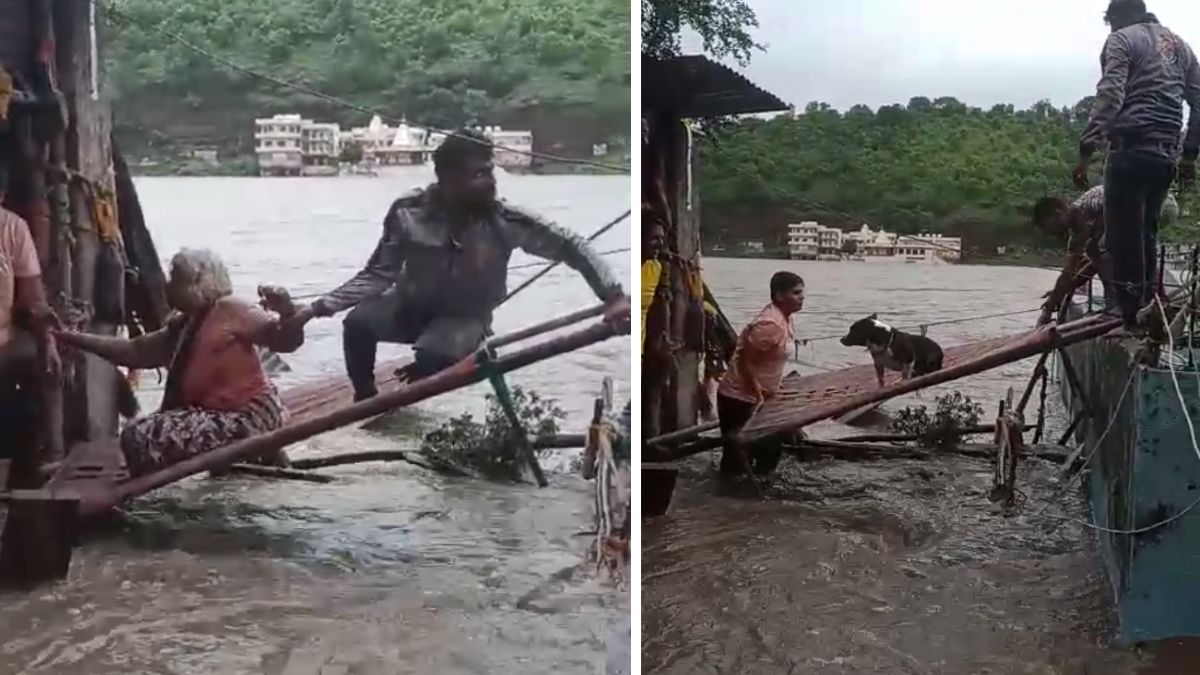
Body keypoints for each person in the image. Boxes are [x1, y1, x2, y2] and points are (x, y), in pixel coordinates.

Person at [285, 129, 627, 401]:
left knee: (433, 356)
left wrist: (613, 296)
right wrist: (314, 310)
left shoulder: (503, 220)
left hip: (463, 319)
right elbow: (377, 274)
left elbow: (572, 246)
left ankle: (423, 372)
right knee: (357, 324)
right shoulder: (407, 213)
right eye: (479, 175)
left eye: (490, 172)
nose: (491, 182)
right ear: (448, 179)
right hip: (408, 307)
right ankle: (366, 398)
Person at [53, 249, 305, 477]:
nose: (167, 285)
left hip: (247, 417)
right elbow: (134, 351)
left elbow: (283, 339)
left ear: (196, 282)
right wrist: (70, 337)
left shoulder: (231, 308)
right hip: (216, 416)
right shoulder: (183, 326)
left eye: (174, 278)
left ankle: (249, 451)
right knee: (136, 433)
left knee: (140, 437)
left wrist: (288, 312)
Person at [1075, 0, 1200, 333]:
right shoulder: (1182, 48)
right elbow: (1199, 101)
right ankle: (1145, 310)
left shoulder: (1122, 39)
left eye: (1111, 23)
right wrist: (1190, 156)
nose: (1111, 30)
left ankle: (1129, 317)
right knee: (1146, 233)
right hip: (1165, 157)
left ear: (1119, 17)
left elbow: (1111, 93)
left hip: (1130, 150)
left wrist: (1087, 148)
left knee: (1122, 238)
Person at [1033, 187, 1178, 325]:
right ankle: (1118, 301)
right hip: (1138, 211)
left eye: (1048, 228)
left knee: (1107, 244)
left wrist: (1099, 231)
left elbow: (1118, 202)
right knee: (1094, 249)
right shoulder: (1078, 235)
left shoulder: (1089, 203)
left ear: (1057, 214)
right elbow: (1070, 273)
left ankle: (1149, 299)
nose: (1050, 234)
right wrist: (1057, 296)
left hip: (1160, 202)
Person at [0, 163, 62, 468]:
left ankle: (44, 453)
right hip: (5, 346)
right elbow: (34, 301)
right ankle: (49, 454)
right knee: (45, 361)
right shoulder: (12, 227)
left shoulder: (12, 228)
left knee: (43, 360)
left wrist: (47, 341)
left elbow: (33, 302)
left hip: (4, 346)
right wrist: (47, 342)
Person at [715, 271, 805, 477]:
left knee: (769, 449)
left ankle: (753, 494)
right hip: (739, 397)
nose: (802, 297)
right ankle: (727, 496)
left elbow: (769, 359)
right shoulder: (770, 324)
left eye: (802, 293)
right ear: (779, 296)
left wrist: (773, 388)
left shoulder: (786, 318)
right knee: (737, 455)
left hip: (763, 395)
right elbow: (743, 360)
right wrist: (757, 392)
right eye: (796, 293)